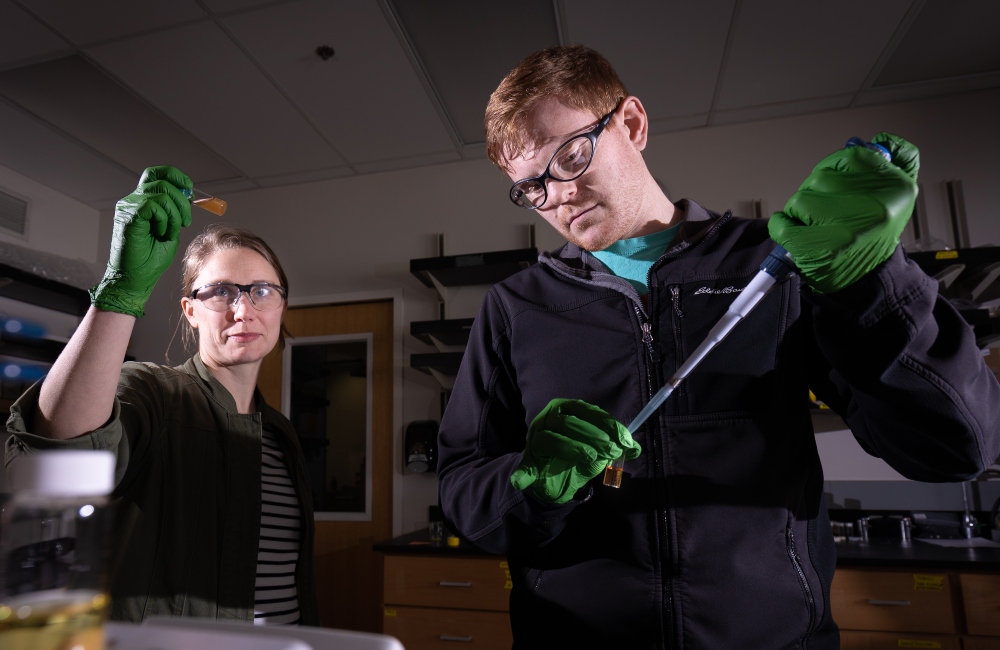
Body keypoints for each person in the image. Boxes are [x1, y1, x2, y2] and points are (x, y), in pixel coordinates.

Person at [436, 45, 1000, 649]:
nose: (558, 197)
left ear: (631, 123)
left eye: (569, 157)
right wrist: (528, 480)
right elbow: (464, 495)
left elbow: (956, 449)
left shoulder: (777, 263)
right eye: (531, 189)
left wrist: (870, 281)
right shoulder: (518, 306)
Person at [4, 167, 320, 625]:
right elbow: (60, 451)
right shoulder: (152, 393)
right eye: (221, 292)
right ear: (190, 311)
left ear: (282, 306)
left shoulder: (282, 434)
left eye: (262, 291)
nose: (242, 308)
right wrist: (121, 292)